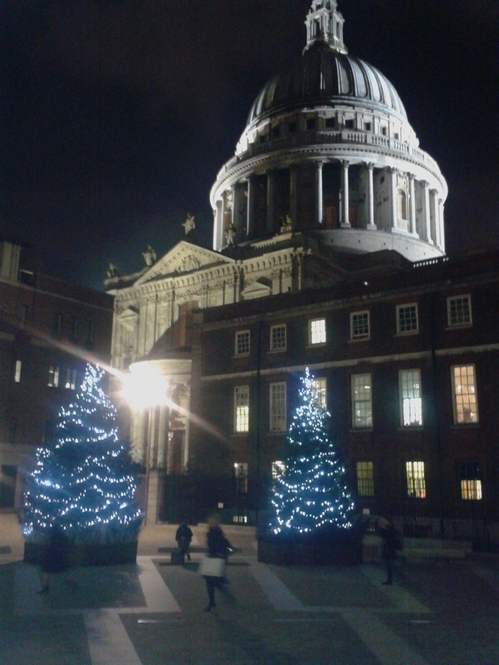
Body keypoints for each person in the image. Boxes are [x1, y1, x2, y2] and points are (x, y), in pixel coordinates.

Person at [202, 515, 233, 612]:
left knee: (210, 582)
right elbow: (227, 546)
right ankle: (213, 600)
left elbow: (222, 546)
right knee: (211, 581)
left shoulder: (214, 534)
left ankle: (212, 602)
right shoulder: (215, 534)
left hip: (214, 559)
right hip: (214, 558)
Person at [38, 524, 68, 594]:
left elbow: (46, 544)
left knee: (45, 571)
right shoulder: (62, 536)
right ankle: (71, 583)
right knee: (62, 571)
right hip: (59, 555)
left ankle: (45, 587)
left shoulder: (51, 536)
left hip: (50, 555)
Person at [376, 516, 400, 585]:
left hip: (389, 550)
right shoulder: (392, 531)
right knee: (390, 566)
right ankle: (390, 579)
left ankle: (390, 580)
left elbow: (384, 536)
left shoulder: (388, 531)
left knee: (389, 566)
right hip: (390, 550)